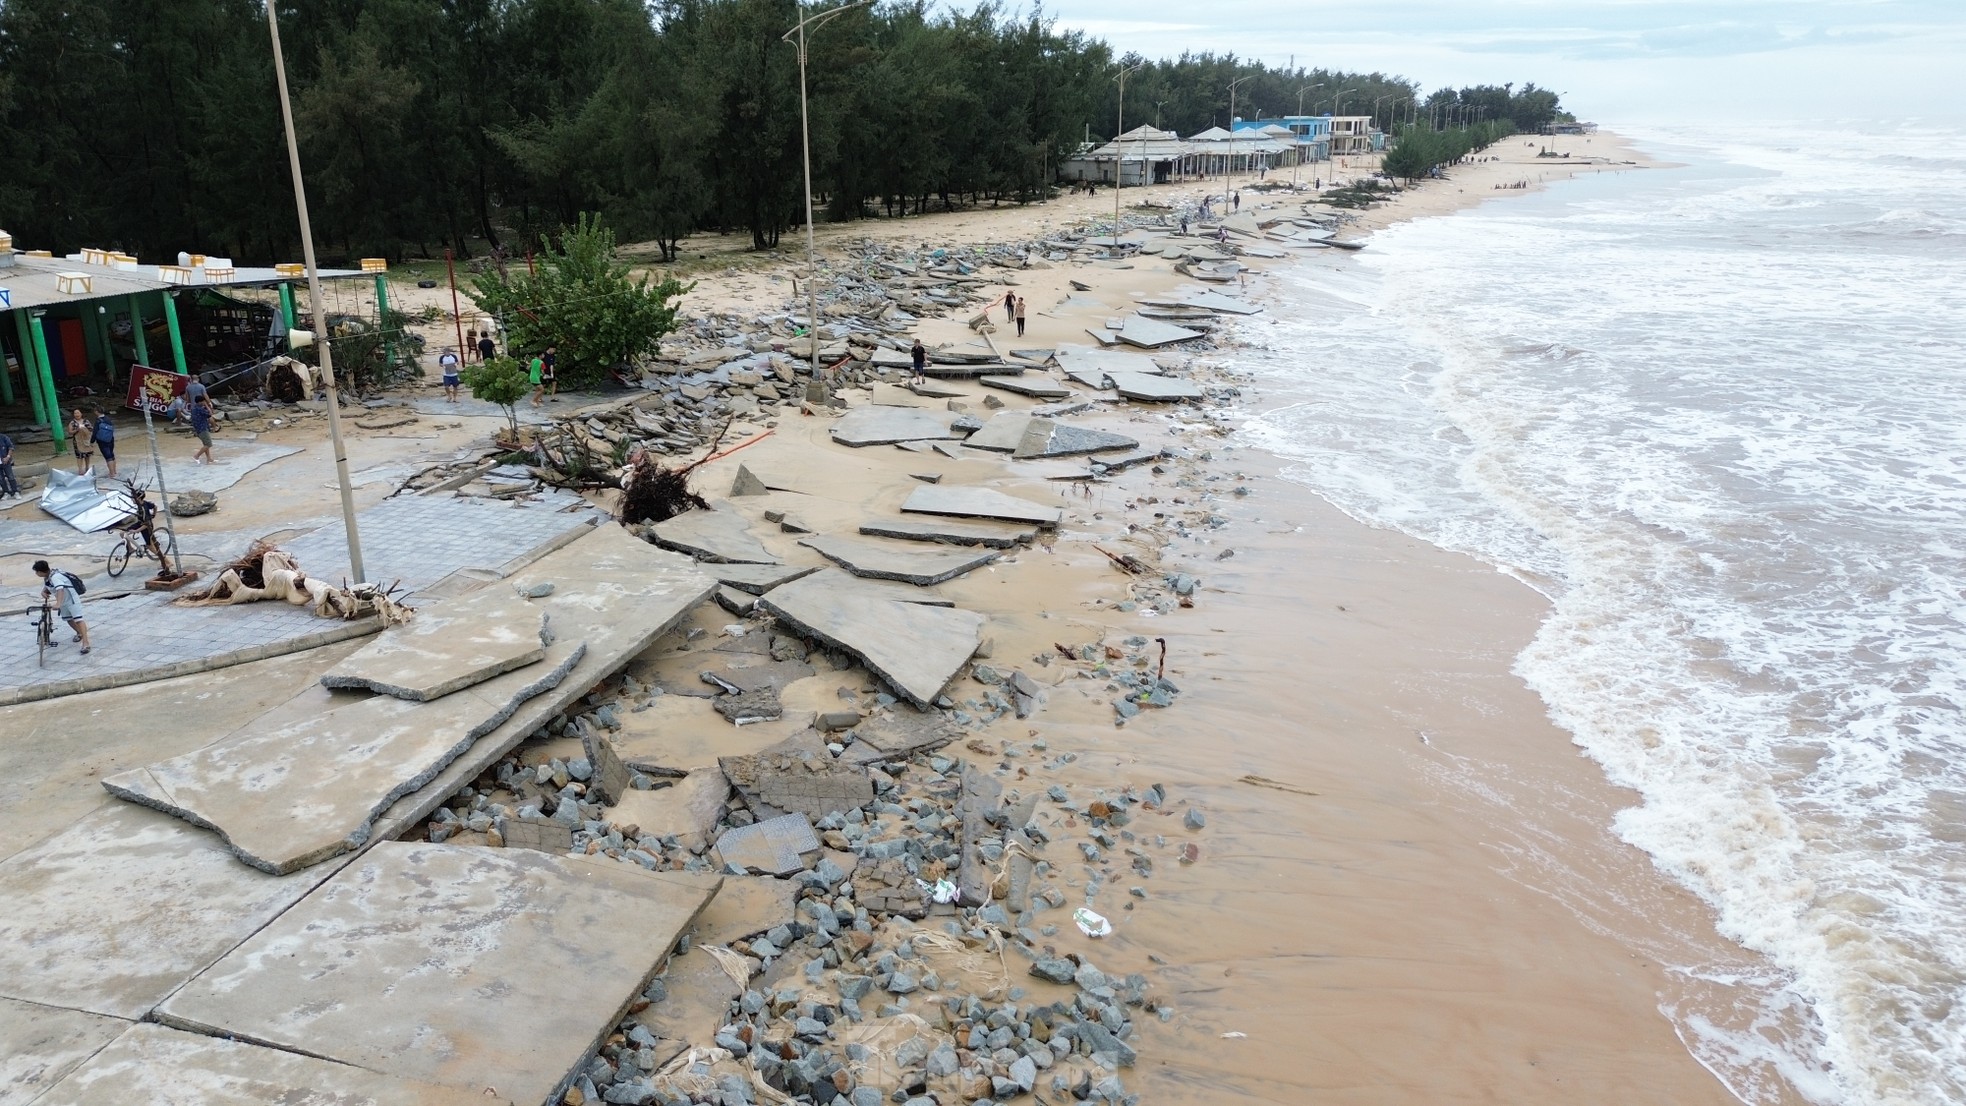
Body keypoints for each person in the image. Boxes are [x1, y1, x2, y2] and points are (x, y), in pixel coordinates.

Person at [32, 559, 91, 655]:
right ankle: (79, 633)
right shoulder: (49, 576)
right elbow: (48, 585)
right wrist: (43, 591)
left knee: (78, 619)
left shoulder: (55, 577)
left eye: (36, 572)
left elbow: (60, 590)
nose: (36, 573)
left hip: (71, 600)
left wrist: (58, 604)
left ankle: (86, 643)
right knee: (68, 619)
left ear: (41, 571)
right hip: (63, 601)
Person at [92, 408, 117, 478]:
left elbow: (95, 432)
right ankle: (114, 471)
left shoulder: (98, 421)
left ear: (97, 412)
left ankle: (111, 473)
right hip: (110, 439)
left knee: (108, 457)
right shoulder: (108, 418)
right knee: (111, 454)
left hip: (102, 441)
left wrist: (92, 441)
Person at [189, 397, 215, 464]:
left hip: (198, 429)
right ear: (200, 402)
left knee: (205, 444)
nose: (204, 403)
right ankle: (196, 456)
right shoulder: (200, 409)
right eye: (203, 401)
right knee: (209, 444)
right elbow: (210, 414)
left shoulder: (194, 408)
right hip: (202, 428)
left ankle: (209, 459)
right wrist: (207, 406)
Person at [68, 410, 94, 475]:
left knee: (87, 454)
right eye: (75, 413)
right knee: (79, 455)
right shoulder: (72, 423)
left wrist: (85, 429)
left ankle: (87, 467)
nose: (77, 414)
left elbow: (91, 429)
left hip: (86, 440)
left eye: (78, 413)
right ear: (73, 415)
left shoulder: (86, 421)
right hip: (77, 441)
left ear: (81, 413)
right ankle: (80, 469)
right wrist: (77, 430)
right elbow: (70, 432)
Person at [0, 429, 17, 499]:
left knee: (11, 476)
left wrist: (8, 457)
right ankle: (6, 492)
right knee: (0, 479)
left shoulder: (3, 437)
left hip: (5, 461)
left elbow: (11, 447)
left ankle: (15, 492)